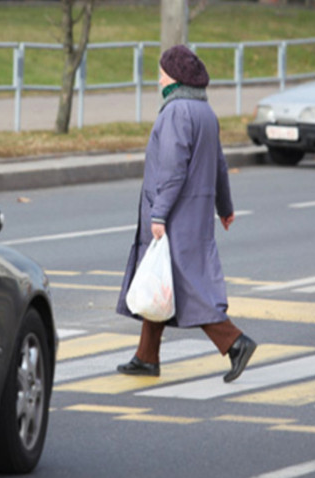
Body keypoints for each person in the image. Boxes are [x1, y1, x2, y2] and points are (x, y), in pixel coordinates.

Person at [115, 44, 257, 383]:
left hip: (176, 215)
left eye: (161, 73)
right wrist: (225, 206)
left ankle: (235, 342)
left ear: (174, 77)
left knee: (184, 285)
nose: (158, 79)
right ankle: (146, 357)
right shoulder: (205, 111)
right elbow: (219, 164)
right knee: (161, 282)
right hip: (195, 213)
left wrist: (159, 214)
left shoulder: (176, 112)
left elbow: (173, 168)